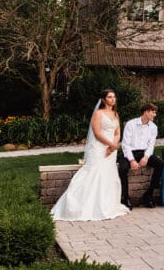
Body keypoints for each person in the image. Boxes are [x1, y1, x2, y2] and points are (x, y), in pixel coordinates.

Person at [51, 89, 129, 221]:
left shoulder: (115, 114)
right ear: (103, 100)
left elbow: (117, 132)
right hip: (99, 148)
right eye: (110, 97)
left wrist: (113, 145)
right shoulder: (98, 114)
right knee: (93, 172)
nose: (113, 99)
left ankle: (105, 205)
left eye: (114, 97)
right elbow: (97, 133)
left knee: (107, 174)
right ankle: (78, 206)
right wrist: (110, 144)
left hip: (111, 149)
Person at [117, 103, 163, 209]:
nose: (154, 115)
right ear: (146, 112)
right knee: (123, 168)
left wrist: (146, 157)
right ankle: (125, 197)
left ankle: (148, 195)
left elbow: (151, 145)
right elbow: (125, 145)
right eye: (153, 112)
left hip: (144, 153)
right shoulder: (131, 124)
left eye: (155, 112)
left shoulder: (153, 127)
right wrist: (132, 160)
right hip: (129, 152)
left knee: (160, 164)